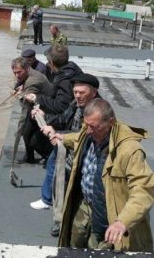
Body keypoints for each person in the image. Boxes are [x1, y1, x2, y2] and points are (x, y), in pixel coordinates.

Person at [52, 98, 154, 251]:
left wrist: (122, 222)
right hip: (85, 206)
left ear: (110, 122)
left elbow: (144, 190)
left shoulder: (130, 150)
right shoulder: (89, 133)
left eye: (94, 127)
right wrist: (62, 137)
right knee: (73, 248)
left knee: (99, 251)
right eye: (86, 125)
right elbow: (78, 138)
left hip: (108, 215)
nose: (88, 131)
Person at [29, 73, 100, 237]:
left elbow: (86, 136)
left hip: (83, 162)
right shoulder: (76, 104)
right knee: (60, 187)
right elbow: (62, 118)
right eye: (75, 92)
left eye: (82, 92)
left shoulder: (97, 113)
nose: (77, 96)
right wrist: (45, 116)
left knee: (77, 196)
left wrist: (58, 134)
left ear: (94, 93)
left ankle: (71, 227)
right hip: (68, 157)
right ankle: (60, 220)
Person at [21, 44, 82, 163]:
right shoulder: (71, 69)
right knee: (28, 127)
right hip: (67, 115)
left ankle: (52, 157)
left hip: (67, 121)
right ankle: (33, 156)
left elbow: (61, 107)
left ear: (52, 62)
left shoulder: (65, 79)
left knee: (33, 139)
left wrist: (38, 99)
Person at [11, 57, 53, 164]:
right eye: (14, 73)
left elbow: (26, 105)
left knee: (32, 139)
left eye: (19, 72)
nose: (17, 75)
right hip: (37, 107)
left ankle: (49, 156)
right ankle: (29, 157)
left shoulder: (32, 80)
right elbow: (22, 88)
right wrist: (20, 90)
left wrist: (19, 94)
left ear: (27, 68)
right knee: (26, 133)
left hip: (46, 110)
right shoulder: (29, 75)